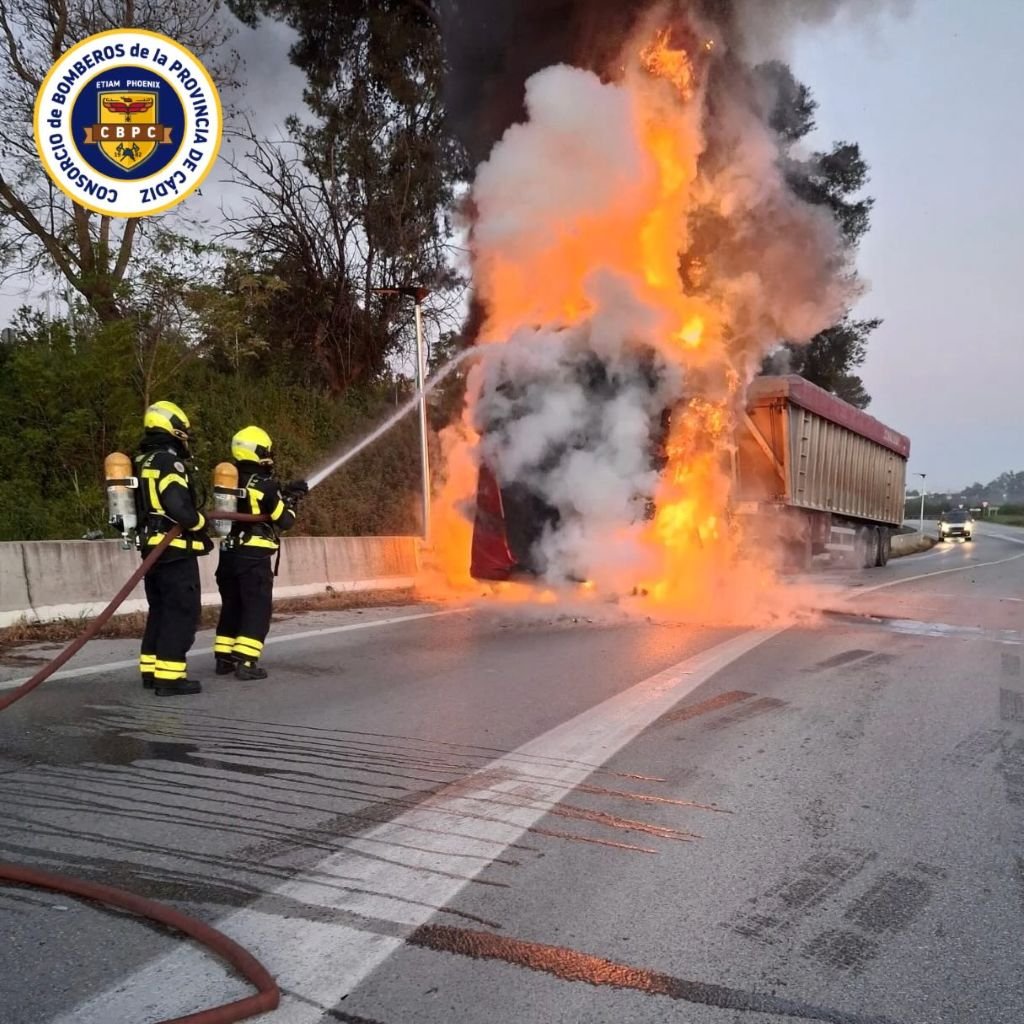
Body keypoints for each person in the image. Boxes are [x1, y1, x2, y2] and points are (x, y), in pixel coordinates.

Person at [213, 426, 306, 680]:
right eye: (266, 450)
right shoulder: (264, 484)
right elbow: (284, 520)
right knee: (256, 608)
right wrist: (293, 500)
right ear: (258, 452)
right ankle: (246, 661)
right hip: (253, 556)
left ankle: (224, 657)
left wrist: (284, 495)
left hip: (228, 554)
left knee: (232, 604)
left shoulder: (230, 480)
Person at [134, 401, 212, 697]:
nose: (185, 435)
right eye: (183, 430)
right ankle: (170, 676)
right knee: (181, 611)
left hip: (151, 551)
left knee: (160, 610)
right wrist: (199, 520)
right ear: (172, 427)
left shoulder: (141, 460)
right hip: (175, 548)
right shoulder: (169, 462)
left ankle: (151, 672)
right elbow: (178, 506)